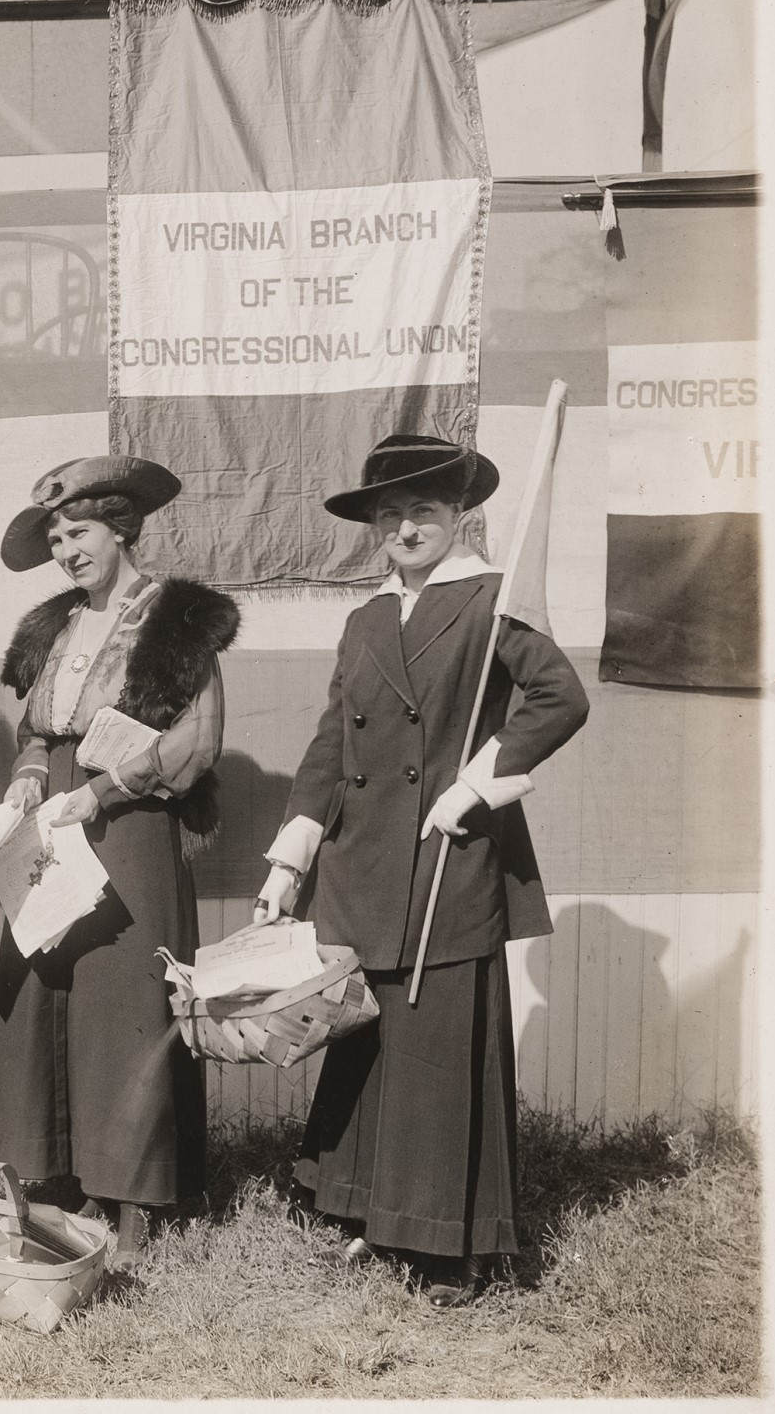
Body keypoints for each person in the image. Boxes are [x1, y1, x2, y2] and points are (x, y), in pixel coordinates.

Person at [254, 433, 589, 1307]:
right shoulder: (367, 619)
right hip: (363, 861)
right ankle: (369, 1211)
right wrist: (290, 858)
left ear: (459, 517)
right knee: (370, 1041)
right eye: (391, 514)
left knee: (438, 1049)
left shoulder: (491, 598)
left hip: (451, 856)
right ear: (373, 525)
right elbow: (333, 742)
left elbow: (561, 699)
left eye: (425, 511)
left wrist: (478, 784)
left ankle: (450, 1246)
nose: (406, 527)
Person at [0, 455, 239, 1254]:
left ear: (122, 528)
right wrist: (25, 783)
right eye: (54, 538)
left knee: (125, 1004)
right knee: (41, 990)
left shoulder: (178, 620)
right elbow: (36, 731)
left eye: (78, 531)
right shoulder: (55, 625)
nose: (66, 549)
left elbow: (197, 738)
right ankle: (48, 1180)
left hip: (129, 826)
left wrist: (102, 792)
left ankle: (133, 1201)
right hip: (50, 819)